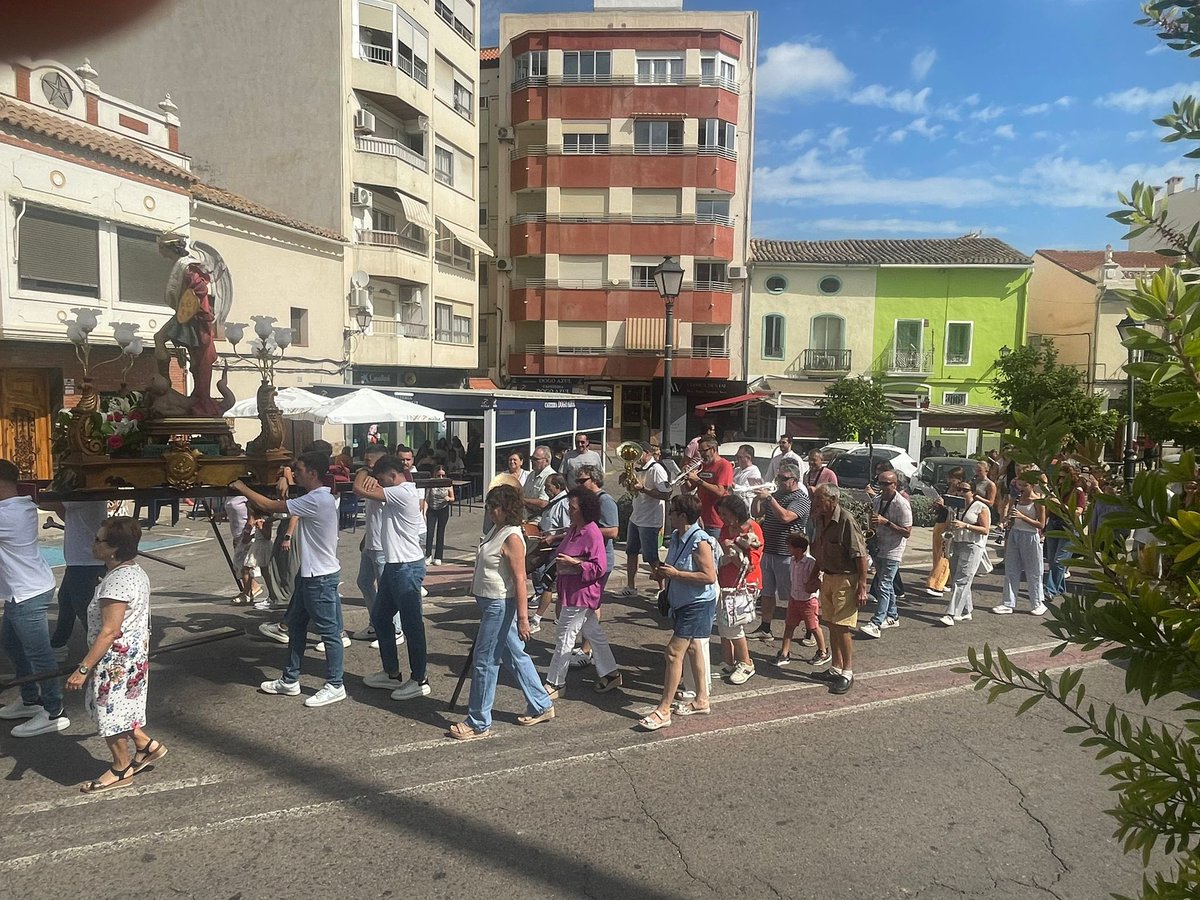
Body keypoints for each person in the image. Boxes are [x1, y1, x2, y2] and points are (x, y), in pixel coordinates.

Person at [231, 451, 347, 708]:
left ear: (313, 474)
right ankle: (290, 679)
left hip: (321, 578)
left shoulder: (317, 499)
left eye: (300, 469)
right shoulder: (318, 496)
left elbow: (271, 506)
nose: (295, 473)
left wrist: (241, 487)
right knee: (295, 628)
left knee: (329, 634)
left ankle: (336, 684)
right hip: (310, 576)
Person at [66, 516, 167, 792]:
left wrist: (83, 668)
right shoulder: (133, 571)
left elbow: (110, 631)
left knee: (109, 714)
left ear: (113, 549)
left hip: (115, 661)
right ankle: (145, 746)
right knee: (123, 709)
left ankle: (121, 769)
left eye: (98, 540)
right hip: (131, 656)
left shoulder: (116, 583)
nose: (93, 543)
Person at [450, 486, 554, 739]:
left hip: (498, 604)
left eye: (493, 506)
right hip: (490, 602)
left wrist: (523, 619)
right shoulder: (496, 531)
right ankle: (541, 703)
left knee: (485, 662)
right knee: (514, 655)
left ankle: (478, 721)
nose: (489, 510)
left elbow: (520, 579)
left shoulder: (512, 537)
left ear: (506, 508)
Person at [0, 459, 70, 737]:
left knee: (39, 655)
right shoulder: (19, 505)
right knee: (12, 645)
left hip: (27, 593)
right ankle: (30, 699)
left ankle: (54, 711)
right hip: (23, 591)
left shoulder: (9, 515)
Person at [354, 456, 432, 700]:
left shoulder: (403, 492)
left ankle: (420, 679)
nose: (378, 482)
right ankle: (391, 673)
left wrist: (363, 470)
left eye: (380, 478)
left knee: (412, 626)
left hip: (407, 567)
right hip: (394, 566)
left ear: (390, 475)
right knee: (380, 617)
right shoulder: (396, 489)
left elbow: (358, 488)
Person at [639, 494, 718, 730]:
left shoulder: (700, 541)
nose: (670, 515)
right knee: (693, 648)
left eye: (672, 511)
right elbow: (674, 566)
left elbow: (709, 577)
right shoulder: (676, 536)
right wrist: (663, 574)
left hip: (697, 604)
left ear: (683, 516)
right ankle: (702, 699)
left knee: (673, 653)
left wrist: (676, 575)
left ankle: (664, 710)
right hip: (683, 603)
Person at [543, 487, 623, 699]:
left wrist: (575, 563)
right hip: (571, 590)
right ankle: (611, 672)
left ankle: (556, 682)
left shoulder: (591, 532)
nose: (569, 510)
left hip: (581, 593)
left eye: (572, 507)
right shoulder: (574, 529)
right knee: (593, 633)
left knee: (565, 635)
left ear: (584, 510)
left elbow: (600, 567)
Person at [810, 483, 869, 695]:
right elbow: (819, 549)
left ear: (832, 500)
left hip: (846, 578)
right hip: (829, 577)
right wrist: (813, 576)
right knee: (831, 624)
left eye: (819, 499)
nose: (815, 503)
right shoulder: (820, 519)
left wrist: (862, 586)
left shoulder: (846, 520)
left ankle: (847, 672)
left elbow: (860, 555)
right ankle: (835, 667)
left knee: (843, 627)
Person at [750, 461, 810, 643]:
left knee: (797, 594)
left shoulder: (800, 499)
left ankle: (810, 630)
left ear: (794, 480)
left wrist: (769, 499)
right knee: (767, 592)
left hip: (788, 554)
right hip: (769, 550)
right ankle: (765, 627)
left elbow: (785, 517)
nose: (780, 481)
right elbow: (756, 513)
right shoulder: (776, 495)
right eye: (779, 478)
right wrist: (758, 497)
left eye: (784, 479)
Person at [45, 500, 108, 647]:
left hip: (86, 561)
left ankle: (100, 649)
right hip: (79, 560)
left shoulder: (82, 496)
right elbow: (64, 513)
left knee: (85, 609)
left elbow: (47, 503)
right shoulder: (77, 499)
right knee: (66, 601)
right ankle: (58, 644)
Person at [859, 468, 913, 639]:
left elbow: (907, 532)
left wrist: (886, 522)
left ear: (895, 485)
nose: (882, 487)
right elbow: (873, 522)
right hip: (879, 546)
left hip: (893, 549)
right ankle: (893, 615)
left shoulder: (901, 504)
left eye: (886, 484)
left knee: (883, 584)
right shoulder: (877, 500)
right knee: (886, 584)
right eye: (880, 483)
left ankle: (877, 622)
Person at [715, 493, 762, 685]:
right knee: (723, 623)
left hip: (744, 585)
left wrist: (731, 551)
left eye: (725, 514)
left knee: (734, 625)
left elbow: (751, 565)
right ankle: (729, 662)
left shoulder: (753, 529)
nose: (722, 518)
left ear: (736, 513)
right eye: (720, 514)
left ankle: (746, 663)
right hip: (726, 582)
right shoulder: (727, 528)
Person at [621, 441, 670, 598]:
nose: (635, 457)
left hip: (650, 520)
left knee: (650, 557)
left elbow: (666, 494)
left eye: (639, 453)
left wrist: (643, 489)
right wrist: (627, 479)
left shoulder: (657, 470)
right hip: (636, 517)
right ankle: (631, 587)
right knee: (631, 552)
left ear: (647, 453)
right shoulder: (639, 468)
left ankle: (663, 589)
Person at [939, 481, 991, 626]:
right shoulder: (957, 507)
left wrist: (965, 525)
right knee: (957, 577)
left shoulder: (981, 507)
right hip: (957, 542)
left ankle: (951, 614)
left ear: (973, 492)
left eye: (965, 490)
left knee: (962, 579)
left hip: (973, 545)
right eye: (959, 489)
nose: (961, 492)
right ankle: (966, 611)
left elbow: (985, 530)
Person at [994, 478, 1048, 616]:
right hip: (1015, 534)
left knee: (1033, 571)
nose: (1022, 488)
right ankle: (1008, 603)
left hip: (1030, 536)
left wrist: (1022, 517)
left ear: (1033, 485)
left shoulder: (1038, 502)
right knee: (1011, 569)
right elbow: (1009, 517)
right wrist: (1006, 521)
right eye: (1020, 485)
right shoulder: (1016, 499)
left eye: (1026, 485)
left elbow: (1041, 525)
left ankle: (1037, 603)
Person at [779, 532, 830, 667]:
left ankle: (823, 651)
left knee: (813, 627)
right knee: (789, 626)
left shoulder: (810, 563)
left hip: (808, 601)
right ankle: (784, 653)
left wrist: (813, 588)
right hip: (794, 598)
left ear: (799, 549)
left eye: (790, 547)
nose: (788, 549)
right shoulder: (792, 561)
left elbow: (818, 580)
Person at [530, 473, 570, 632]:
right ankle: (561, 618)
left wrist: (553, 538)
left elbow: (568, 530)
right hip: (548, 546)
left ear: (557, 487)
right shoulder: (554, 501)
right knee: (557, 586)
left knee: (548, 584)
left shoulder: (565, 503)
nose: (546, 490)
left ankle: (537, 618)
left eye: (548, 487)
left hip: (557, 549)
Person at [923, 468, 964, 598]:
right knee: (936, 552)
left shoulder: (960, 492)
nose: (950, 480)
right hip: (940, 522)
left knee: (943, 554)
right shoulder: (947, 489)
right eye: (950, 477)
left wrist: (944, 505)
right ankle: (947, 580)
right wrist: (937, 506)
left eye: (953, 478)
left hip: (948, 523)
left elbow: (956, 509)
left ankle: (936, 584)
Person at [683, 438, 733, 538]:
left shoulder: (724, 465)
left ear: (713, 449)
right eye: (699, 451)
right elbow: (690, 488)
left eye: (704, 451)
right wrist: (685, 477)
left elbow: (720, 491)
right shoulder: (703, 465)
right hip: (701, 518)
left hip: (716, 520)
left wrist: (698, 480)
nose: (701, 454)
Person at [231, 502, 269, 605]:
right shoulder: (252, 520)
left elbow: (267, 536)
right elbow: (247, 535)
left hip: (261, 546)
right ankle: (247, 592)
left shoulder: (264, 519)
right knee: (245, 569)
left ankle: (270, 593)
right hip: (255, 544)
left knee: (264, 570)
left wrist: (258, 528)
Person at [425, 463, 454, 565]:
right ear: (435, 475)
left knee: (440, 533)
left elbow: (453, 497)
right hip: (432, 509)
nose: (441, 477)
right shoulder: (431, 483)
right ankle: (428, 555)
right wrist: (424, 512)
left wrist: (449, 498)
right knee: (430, 532)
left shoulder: (448, 484)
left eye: (443, 475)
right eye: (438, 475)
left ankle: (438, 557)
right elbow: (427, 498)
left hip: (443, 509)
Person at [522, 445, 556, 516]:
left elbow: (543, 503)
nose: (532, 461)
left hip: (540, 520)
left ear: (546, 461)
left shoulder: (551, 476)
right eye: (531, 458)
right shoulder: (531, 474)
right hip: (527, 516)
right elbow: (523, 493)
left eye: (536, 459)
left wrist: (523, 500)